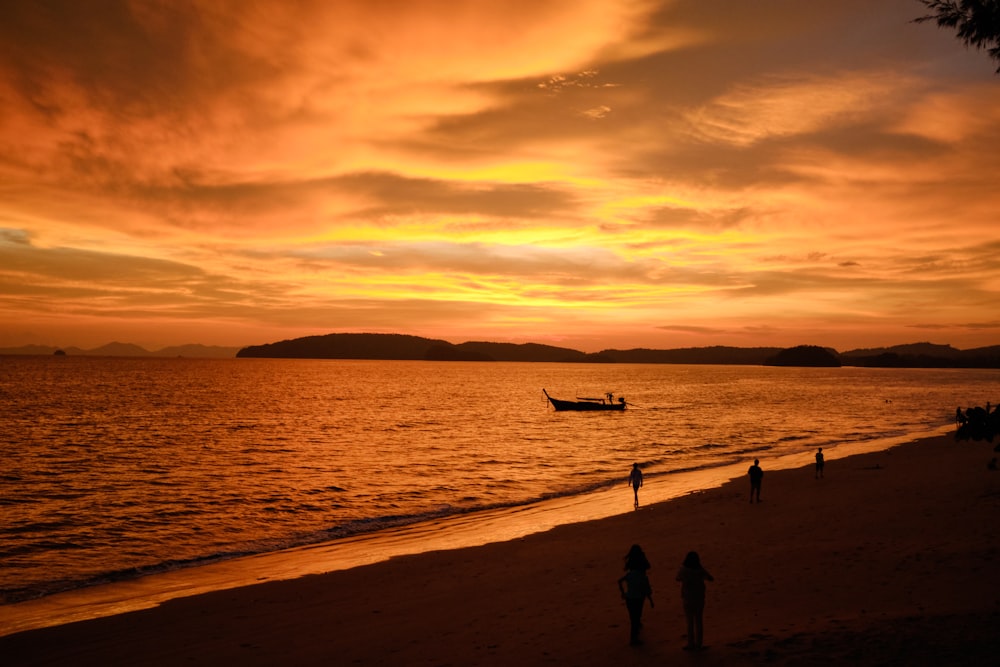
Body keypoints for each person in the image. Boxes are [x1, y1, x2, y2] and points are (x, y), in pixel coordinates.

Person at [675, 551, 713, 651]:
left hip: (688, 598)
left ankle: (690, 644)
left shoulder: (684, 569)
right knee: (699, 621)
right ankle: (699, 644)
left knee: (690, 622)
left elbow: (677, 578)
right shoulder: (699, 569)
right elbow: (710, 578)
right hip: (699, 598)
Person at [617, 544, 653, 645]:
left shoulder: (630, 570)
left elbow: (620, 580)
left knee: (633, 615)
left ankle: (635, 631)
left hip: (630, 593)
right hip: (639, 592)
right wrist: (650, 599)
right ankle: (634, 638)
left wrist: (623, 593)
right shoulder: (642, 563)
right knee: (637, 615)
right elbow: (648, 567)